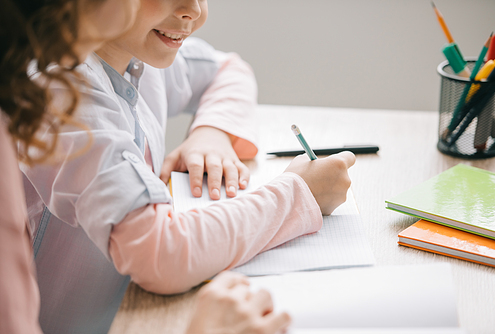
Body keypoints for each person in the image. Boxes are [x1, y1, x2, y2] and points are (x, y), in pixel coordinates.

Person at [21, 0, 356, 332]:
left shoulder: (136, 54)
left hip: (136, 310)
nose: (194, 9)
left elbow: (229, 69)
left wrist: (211, 133)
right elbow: (160, 254)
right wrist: (299, 193)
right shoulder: (60, 95)